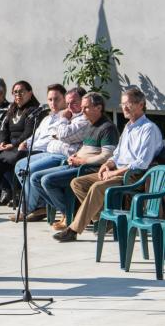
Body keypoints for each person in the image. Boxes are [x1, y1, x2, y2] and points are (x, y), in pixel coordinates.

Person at [54, 87, 163, 242]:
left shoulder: (148, 129)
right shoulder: (128, 127)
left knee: (97, 188)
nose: (124, 107)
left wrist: (114, 173)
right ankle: (107, 220)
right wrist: (108, 164)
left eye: (129, 103)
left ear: (141, 104)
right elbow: (117, 153)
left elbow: (141, 163)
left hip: (135, 176)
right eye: (123, 104)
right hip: (119, 171)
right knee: (78, 183)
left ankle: (73, 230)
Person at [33, 92, 119, 229]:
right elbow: (85, 148)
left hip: (88, 169)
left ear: (98, 108)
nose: (82, 111)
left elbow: (106, 156)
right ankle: (68, 212)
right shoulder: (90, 124)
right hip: (76, 164)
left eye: (86, 107)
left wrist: (82, 161)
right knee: (35, 178)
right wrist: (75, 156)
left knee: (47, 180)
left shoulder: (107, 128)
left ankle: (71, 214)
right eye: (82, 107)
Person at [12, 86, 89, 222]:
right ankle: (39, 206)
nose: (70, 106)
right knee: (19, 165)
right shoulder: (59, 116)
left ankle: (30, 208)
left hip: (62, 157)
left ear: (83, 102)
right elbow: (52, 136)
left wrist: (62, 124)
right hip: (50, 152)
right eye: (69, 103)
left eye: (74, 103)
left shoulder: (81, 119)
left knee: (29, 170)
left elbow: (64, 136)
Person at [0, 80, 40, 214]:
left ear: (30, 93)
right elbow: (4, 129)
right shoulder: (13, 109)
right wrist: (3, 142)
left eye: (21, 91)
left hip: (25, 147)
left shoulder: (34, 111)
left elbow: (29, 132)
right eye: (15, 92)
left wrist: (13, 145)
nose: (18, 95)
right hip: (10, 147)